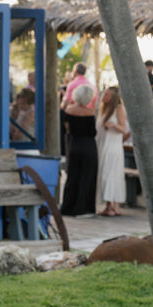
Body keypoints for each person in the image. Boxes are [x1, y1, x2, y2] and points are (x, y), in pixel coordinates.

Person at [61, 84, 98, 216]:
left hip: (74, 144)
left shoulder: (68, 110)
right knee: (87, 177)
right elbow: (93, 132)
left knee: (72, 176)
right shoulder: (90, 112)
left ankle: (67, 207)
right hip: (89, 146)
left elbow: (66, 129)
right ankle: (83, 208)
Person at [96, 86, 127, 216]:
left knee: (112, 174)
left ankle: (115, 205)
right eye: (105, 94)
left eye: (108, 95)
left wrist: (113, 125)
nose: (105, 97)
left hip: (113, 147)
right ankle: (108, 204)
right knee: (104, 174)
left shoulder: (118, 109)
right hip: (103, 145)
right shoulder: (103, 109)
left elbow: (124, 129)